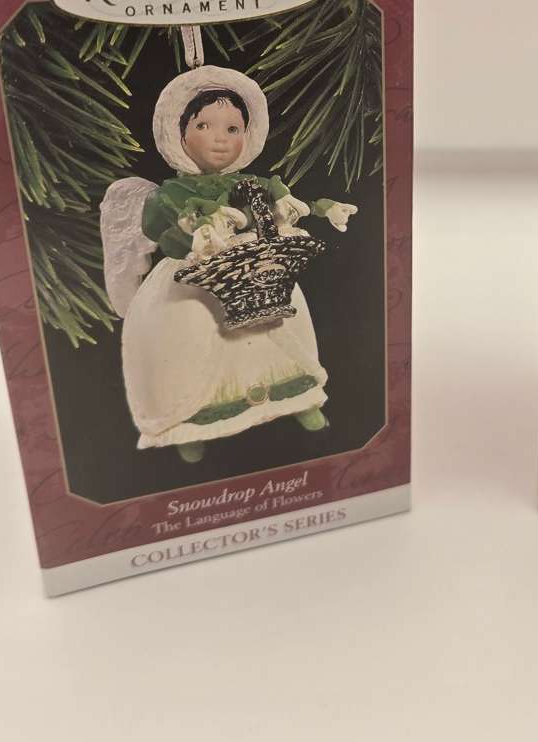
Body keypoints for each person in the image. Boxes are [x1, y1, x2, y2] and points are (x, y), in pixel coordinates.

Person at [100, 65, 357, 462]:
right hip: (194, 272)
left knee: (282, 318)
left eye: (233, 129)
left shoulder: (251, 183)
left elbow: (283, 208)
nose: (220, 139)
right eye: (204, 126)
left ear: (248, 135)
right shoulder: (170, 192)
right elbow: (162, 230)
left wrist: (317, 209)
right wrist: (193, 226)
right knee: (189, 327)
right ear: (178, 133)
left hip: (254, 266)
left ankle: (298, 398)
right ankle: (187, 421)